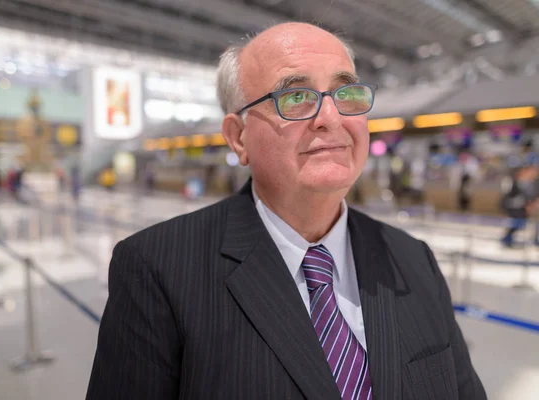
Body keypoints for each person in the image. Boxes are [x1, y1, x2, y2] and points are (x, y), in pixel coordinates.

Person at [87, 23, 486, 400]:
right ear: (238, 137)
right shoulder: (158, 268)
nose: (331, 118)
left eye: (346, 95)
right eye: (295, 97)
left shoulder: (413, 259)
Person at [500, 165, 539, 247]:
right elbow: (508, 198)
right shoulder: (514, 182)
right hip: (516, 207)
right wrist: (525, 204)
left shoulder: (534, 183)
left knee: (528, 223)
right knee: (518, 223)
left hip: (527, 208)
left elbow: (534, 196)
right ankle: (507, 239)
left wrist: (532, 204)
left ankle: (536, 240)